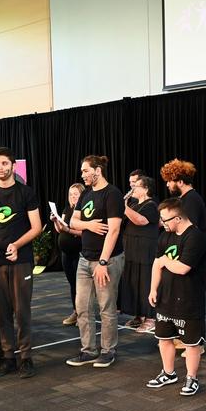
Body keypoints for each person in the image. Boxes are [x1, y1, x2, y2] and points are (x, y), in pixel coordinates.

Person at [0, 147, 43, 379]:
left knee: (22, 310)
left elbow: (36, 227)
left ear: (13, 166)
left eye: (5, 163)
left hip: (20, 259)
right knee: (1, 311)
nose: (0, 167)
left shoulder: (25, 193)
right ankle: (7, 358)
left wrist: (17, 245)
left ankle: (25, 358)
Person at [66, 155, 125, 368]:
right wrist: (89, 225)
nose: (82, 175)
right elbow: (73, 221)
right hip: (84, 259)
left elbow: (114, 230)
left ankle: (108, 351)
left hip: (106, 261)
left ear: (97, 170)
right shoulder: (86, 194)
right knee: (81, 306)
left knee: (106, 307)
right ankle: (88, 350)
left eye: (85, 171)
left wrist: (102, 262)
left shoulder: (113, 194)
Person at [146, 198, 206, 396]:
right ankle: (168, 372)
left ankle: (192, 377)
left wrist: (165, 260)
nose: (162, 223)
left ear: (179, 218)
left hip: (189, 300)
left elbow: (182, 268)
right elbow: (156, 265)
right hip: (166, 298)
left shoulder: (195, 237)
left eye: (166, 220)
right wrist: (153, 289)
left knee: (191, 343)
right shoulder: (165, 236)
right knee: (164, 339)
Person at [119, 175, 159, 333]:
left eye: (136, 186)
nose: (133, 189)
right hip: (132, 250)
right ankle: (140, 315)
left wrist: (124, 207)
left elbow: (141, 221)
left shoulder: (152, 205)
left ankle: (151, 318)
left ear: (146, 189)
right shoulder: (135, 204)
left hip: (145, 251)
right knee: (135, 283)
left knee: (146, 283)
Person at [51, 183, 85, 326]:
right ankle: (76, 312)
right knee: (72, 284)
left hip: (79, 252)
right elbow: (61, 229)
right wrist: (55, 222)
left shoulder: (84, 210)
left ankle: (83, 314)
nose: (72, 197)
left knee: (81, 285)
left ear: (82, 195)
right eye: (71, 194)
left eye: (75, 194)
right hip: (66, 252)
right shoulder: (67, 209)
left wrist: (68, 230)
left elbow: (85, 232)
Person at [160, 158, 206, 233]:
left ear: (180, 182)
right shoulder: (184, 199)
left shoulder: (192, 199)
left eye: (169, 181)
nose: (167, 184)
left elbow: (189, 229)